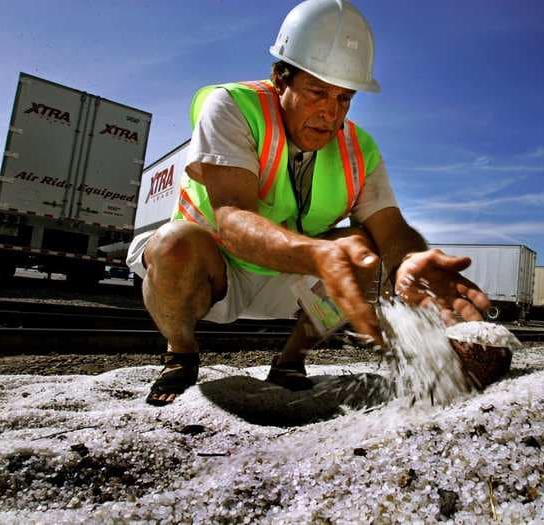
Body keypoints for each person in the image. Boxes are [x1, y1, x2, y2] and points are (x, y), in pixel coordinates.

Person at [127, 0, 494, 406]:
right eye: (318, 92)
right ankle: (180, 354)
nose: (330, 113)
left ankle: (289, 362)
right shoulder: (233, 106)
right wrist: (319, 254)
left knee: (365, 247)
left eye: (344, 98)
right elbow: (232, 219)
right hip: (216, 272)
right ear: (279, 79)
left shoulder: (360, 148)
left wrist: (408, 261)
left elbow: (390, 228)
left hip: (286, 276)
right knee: (172, 242)